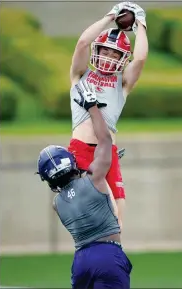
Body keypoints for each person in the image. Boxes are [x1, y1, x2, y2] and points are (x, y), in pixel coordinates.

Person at [37, 80, 132, 289]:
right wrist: (92, 107)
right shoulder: (95, 177)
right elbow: (106, 141)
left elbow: (72, 188)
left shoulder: (57, 203)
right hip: (108, 255)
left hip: (80, 262)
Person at [68, 1, 148, 229]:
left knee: (117, 222)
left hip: (109, 153)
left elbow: (140, 59)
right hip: (81, 150)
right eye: (105, 50)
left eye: (115, 53)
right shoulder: (80, 74)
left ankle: (112, 260)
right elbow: (83, 42)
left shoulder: (122, 83)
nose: (109, 56)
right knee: (85, 221)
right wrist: (110, 16)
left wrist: (141, 24)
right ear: (97, 50)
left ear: (123, 58)